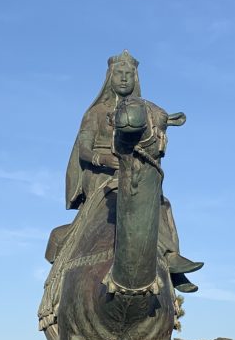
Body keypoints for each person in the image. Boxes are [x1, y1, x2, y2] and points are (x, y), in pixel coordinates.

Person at [51, 50, 202, 292]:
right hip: (100, 174)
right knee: (124, 194)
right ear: (110, 77)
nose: (123, 78)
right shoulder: (95, 113)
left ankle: (171, 259)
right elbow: (84, 150)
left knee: (160, 203)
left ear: (135, 79)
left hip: (130, 168)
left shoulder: (143, 111)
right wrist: (103, 159)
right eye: (119, 74)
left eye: (128, 74)